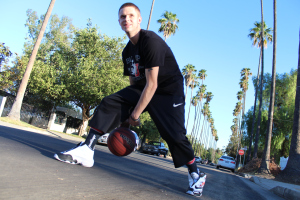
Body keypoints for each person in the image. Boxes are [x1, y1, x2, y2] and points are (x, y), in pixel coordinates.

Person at [54, 2, 206, 197]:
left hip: (168, 92)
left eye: (131, 16)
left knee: (175, 136)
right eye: (123, 17)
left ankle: (196, 174)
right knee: (111, 101)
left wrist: (134, 114)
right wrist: (125, 113)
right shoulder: (127, 52)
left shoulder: (150, 41)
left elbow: (152, 85)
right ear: (119, 21)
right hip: (145, 88)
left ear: (139, 19)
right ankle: (87, 148)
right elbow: (135, 84)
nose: (127, 20)